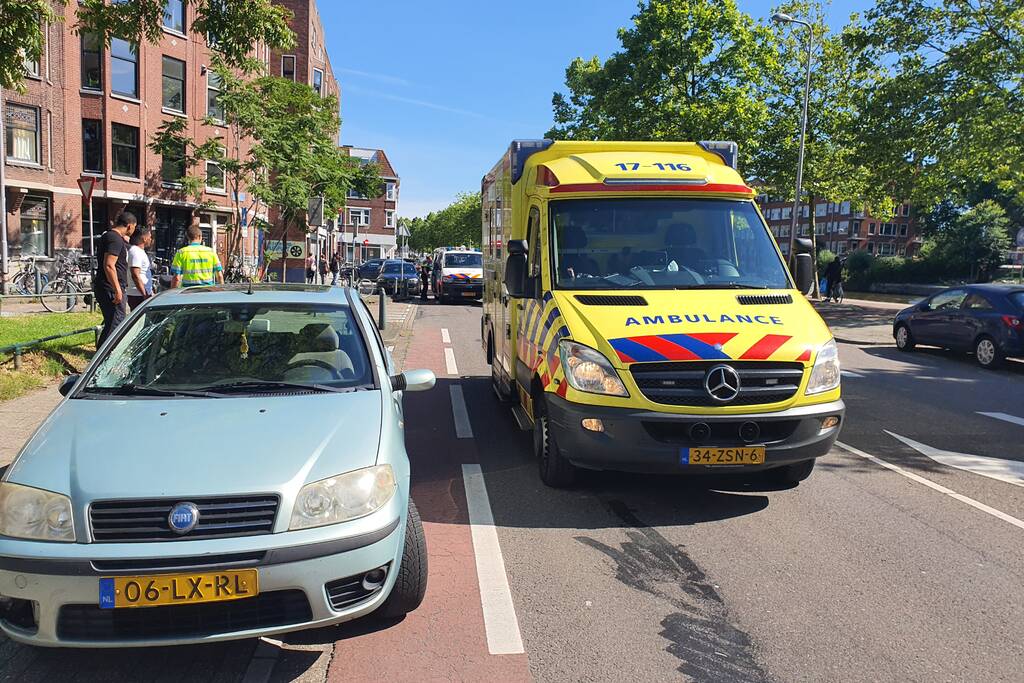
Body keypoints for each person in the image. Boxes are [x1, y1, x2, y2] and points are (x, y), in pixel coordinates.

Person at [93, 211, 136, 346]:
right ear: (129, 226)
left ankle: (102, 355)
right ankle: (103, 358)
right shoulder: (115, 239)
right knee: (115, 324)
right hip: (111, 288)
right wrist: (117, 289)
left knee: (112, 322)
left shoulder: (109, 236)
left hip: (106, 286)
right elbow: (109, 265)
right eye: (134, 227)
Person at [126, 226, 154, 309]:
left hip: (141, 293)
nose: (151, 239)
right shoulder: (136, 252)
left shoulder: (140, 252)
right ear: (144, 238)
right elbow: (135, 274)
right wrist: (144, 294)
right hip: (138, 295)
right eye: (150, 237)